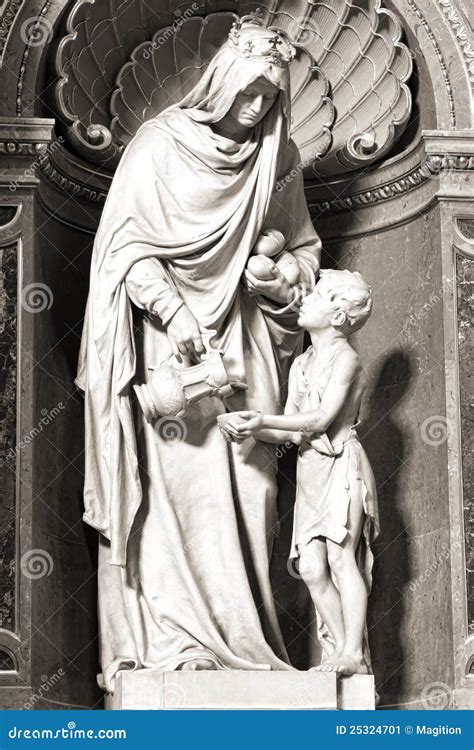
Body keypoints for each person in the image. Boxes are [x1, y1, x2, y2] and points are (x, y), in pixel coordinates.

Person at [75, 14, 321, 692]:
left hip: (245, 346)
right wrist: (176, 310)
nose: (257, 106)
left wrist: (277, 275)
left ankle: (249, 645)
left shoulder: (279, 158)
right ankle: (175, 649)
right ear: (222, 81)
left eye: (270, 96)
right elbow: (124, 249)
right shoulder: (158, 146)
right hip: (172, 348)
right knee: (174, 497)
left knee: (252, 489)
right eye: (248, 90)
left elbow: (304, 251)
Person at [221, 270, 379, 675]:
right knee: (310, 567)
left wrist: (261, 422)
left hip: (341, 465)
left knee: (342, 559)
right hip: (311, 472)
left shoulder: (347, 359)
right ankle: (346, 652)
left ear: (339, 317)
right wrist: (247, 425)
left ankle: (352, 654)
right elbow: (289, 429)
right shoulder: (303, 362)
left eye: (320, 296)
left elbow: (320, 420)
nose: (305, 298)